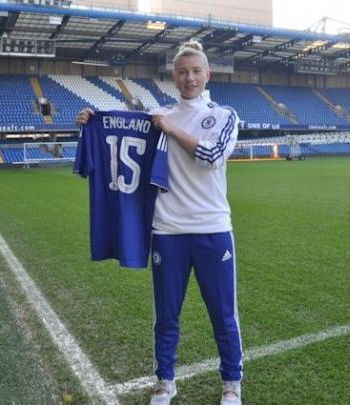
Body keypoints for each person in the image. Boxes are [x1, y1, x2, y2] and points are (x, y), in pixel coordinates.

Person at [76, 40, 243, 405]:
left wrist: (169, 128)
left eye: (196, 71)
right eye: (183, 71)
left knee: (223, 316)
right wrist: (91, 121)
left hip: (213, 230)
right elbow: (119, 130)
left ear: (207, 74)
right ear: (173, 76)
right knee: (165, 318)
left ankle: (232, 383)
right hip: (167, 232)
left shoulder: (225, 115)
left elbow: (212, 156)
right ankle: (165, 381)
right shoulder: (159, 115)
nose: (190, 77)